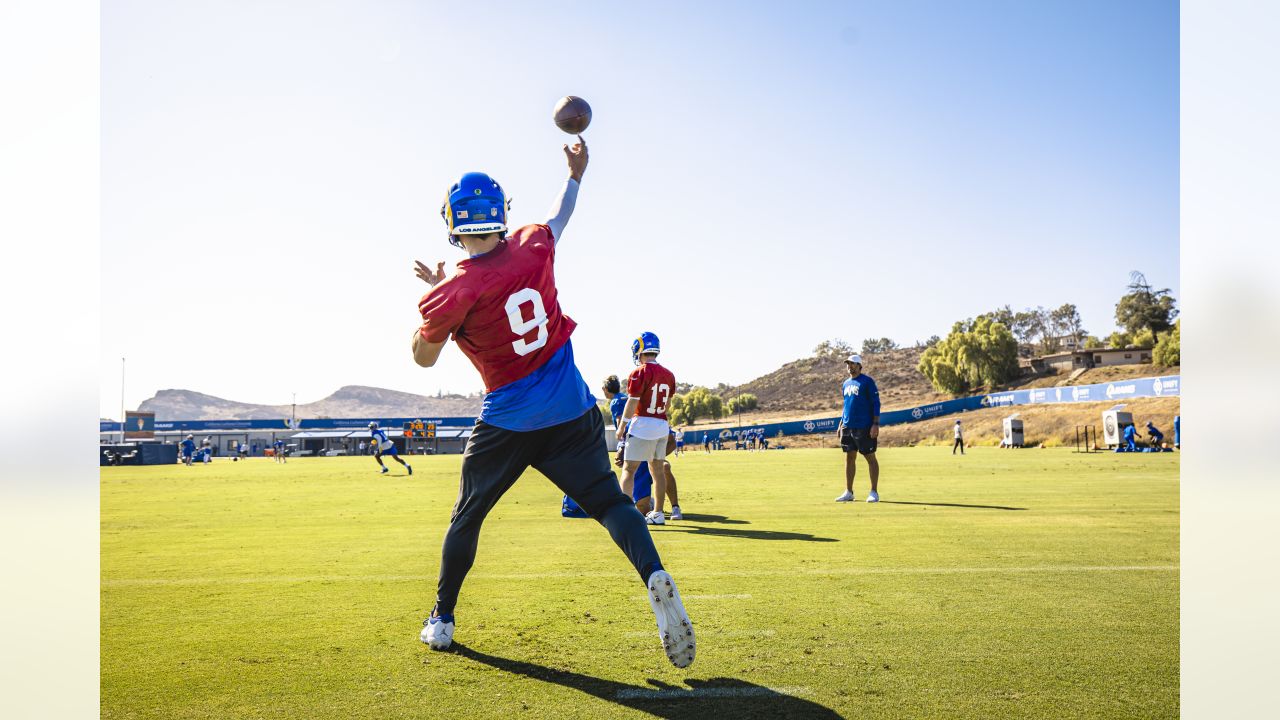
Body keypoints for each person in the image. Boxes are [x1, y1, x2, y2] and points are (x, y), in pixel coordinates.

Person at [409, 139, 693, 667]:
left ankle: (442, 619)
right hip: (570, 408)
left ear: (451, 221)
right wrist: (576, 172)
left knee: (466, 517)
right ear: (500, 213)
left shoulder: (456, 290)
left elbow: (423, 358)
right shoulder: (532, 244)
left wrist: (439, 304)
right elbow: (558, 215)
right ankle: (653, 573)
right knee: (610, 503)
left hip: (508, 421)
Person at [616, 332, 677, 526]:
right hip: (661, 424)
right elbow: (667, 405)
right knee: (657, 470)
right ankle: (658, 513)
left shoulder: (639, 373)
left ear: (639, 349)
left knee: (629, 469)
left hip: (642, 423)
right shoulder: (669, 374)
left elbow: (632, 403)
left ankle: (624, 514)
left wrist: (622, 426)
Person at [834, 354, 881, 503]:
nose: (849, 366)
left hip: (864, 426)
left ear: (859, 366)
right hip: (848, 426)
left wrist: (875, 424)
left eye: (852, 364)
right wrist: (841, 423)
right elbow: (846, 405)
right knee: (849, 458)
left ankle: (874, 492)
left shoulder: (867, 382)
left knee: (870, 458)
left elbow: (876, 403)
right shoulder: (845, 383)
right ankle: (849, 492)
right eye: (848, 364)